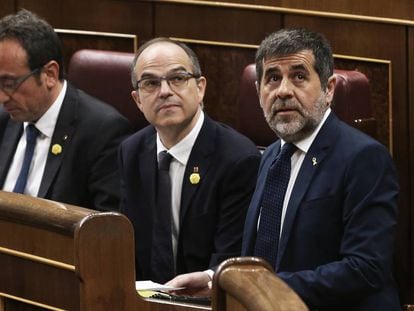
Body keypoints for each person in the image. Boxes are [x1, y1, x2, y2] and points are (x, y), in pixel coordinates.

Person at [166, 28, 401, 310]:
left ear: (329, 89)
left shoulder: (363, 158)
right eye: (273, 78)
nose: (283, 91)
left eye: (299, 77)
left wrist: (261, 287)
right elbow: (262, 257)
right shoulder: (271, 156)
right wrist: (214, 280)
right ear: (258, 91)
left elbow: (366, 268)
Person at [119, 37, 261, 283]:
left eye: (178, 79)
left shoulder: (237, 158)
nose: (165, 92)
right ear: (137, 100)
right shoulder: (131, 151)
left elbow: (232, 260)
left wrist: (207, 280)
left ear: (200, 87)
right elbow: (127, 244)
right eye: (151, 83)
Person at [0, 10, 131, 211]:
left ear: (49, 75)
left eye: (9, 83)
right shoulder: (4, 117)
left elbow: (106, 229)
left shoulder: (103, 133)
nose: (2, 97)